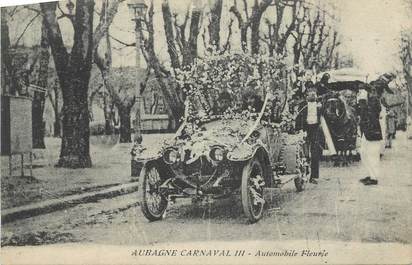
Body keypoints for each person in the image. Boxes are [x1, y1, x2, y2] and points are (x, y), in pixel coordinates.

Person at [358, 73, 395, 186]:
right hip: (367, 129)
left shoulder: (375, 101)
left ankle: (374, 178)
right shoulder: (371, 99)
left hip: (373, 129)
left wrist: (362, 102)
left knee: (372, 153)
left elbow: (371, 111)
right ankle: (370, 174)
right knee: (364, 152)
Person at [295, 85, 323, 184]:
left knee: (315, 153)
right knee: (304, 153)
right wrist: (300, 129)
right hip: (305, 129)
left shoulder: (320, 106)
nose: (312, 95)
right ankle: (304, 173)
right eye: (310, 94)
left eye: (314, 94)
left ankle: (314, 177)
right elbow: (298, 118)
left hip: (315, 129)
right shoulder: (302, 105)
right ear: (306, 96)